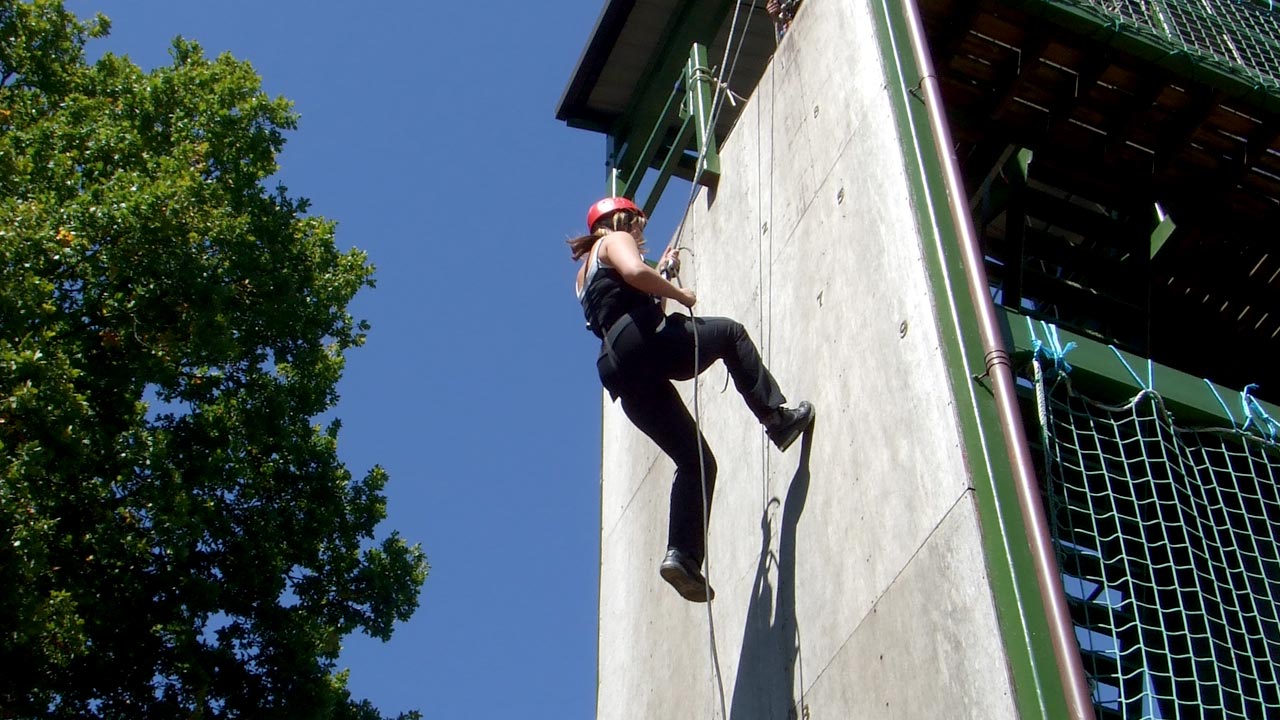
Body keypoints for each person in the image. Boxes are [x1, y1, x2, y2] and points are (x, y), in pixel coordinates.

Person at [570, 197, 814, 603]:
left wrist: (663, 276)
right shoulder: (613, 240)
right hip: (643, 346)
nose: (639, 236)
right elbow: (633, 271)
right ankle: (777, 419)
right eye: (638, 227)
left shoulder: (583, 276)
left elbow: (639, 303)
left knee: (695, 459)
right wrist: (681, 293)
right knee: (730, 334)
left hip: (621, 370)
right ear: (621, 219)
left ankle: (681, 556)